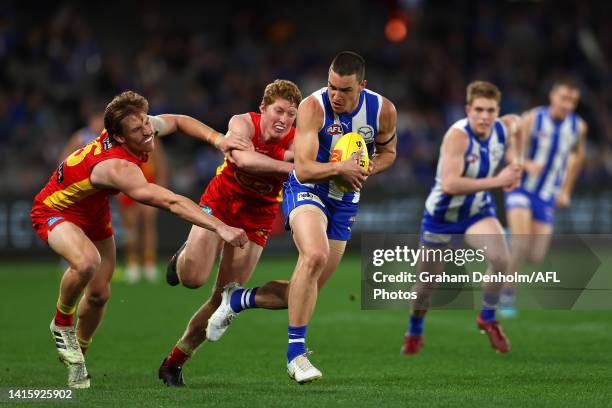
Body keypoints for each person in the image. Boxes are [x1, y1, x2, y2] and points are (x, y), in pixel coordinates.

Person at [31, 91, 250, 389]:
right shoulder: (117, 167)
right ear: (120, 138)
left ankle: (77, 359)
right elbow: (170, 202)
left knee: (99, 295)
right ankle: (62, 322)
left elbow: (179, 122)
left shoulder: (140, 128)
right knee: (87, 263)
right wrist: (218, 226)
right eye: (138, 129)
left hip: (94, 215)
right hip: (55, 210)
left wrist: (218, 139)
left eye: (146, 122)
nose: (148, 131)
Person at [206, 51, 398, 383]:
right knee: (315, 254)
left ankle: (238, 298)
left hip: (345, 200)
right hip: (307, 190)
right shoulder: (313, 107)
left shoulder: (383, 111)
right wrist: (341, 168)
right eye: (331, 86)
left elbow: (388, 153)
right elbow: (305, 168)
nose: (336, 96)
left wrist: (366, 169)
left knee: (306, 288)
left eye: (345, 90)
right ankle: (297, 355)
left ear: (362, 86)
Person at [157, 79, 302, 387]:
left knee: (224, 298)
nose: (284, 120)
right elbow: (242, 158)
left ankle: (174, 362)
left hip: (257, 219)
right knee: (193, 278)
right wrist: (291, 168)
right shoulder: (242, 123)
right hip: (220, 203)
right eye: (279, 111)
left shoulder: (295, 140)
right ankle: (185, 253)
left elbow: (300, 158)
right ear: (263, 108)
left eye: (291, 114)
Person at [400, 81, 523, 356]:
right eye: (478, 109)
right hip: (442, 216)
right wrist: (499, 179)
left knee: (502, 258)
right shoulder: (458, 137)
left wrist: (518, 163)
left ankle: (488, 318)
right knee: (425, 286)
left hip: (476, 210)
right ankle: (415, 329)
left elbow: (518, 124)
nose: (484, 116)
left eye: (490, 110)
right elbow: (451, 185)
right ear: (468, 109)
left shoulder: (503, 127)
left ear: (497, 111)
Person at [501, 78, 587, 316]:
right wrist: (526, 164)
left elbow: (577, 158)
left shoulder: (578, 127)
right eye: (564, 98)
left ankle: (507, 237)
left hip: (546, 194)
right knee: (521, 242)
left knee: (536, 256)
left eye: (572, 101)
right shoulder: (532, 119)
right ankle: (507, 293)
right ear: (552, 97)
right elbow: (511, 152)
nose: (567, 104)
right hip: (521, 188)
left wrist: (566, 189)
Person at [116, 141, 168, 283]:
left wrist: (160, 187)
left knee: (148, 224)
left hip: (148, 183)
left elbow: (160, 164)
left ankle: (149, 263)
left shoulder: (152, 140)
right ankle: (132, 263)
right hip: (127, 185)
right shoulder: (123, 139)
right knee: (129, 227)